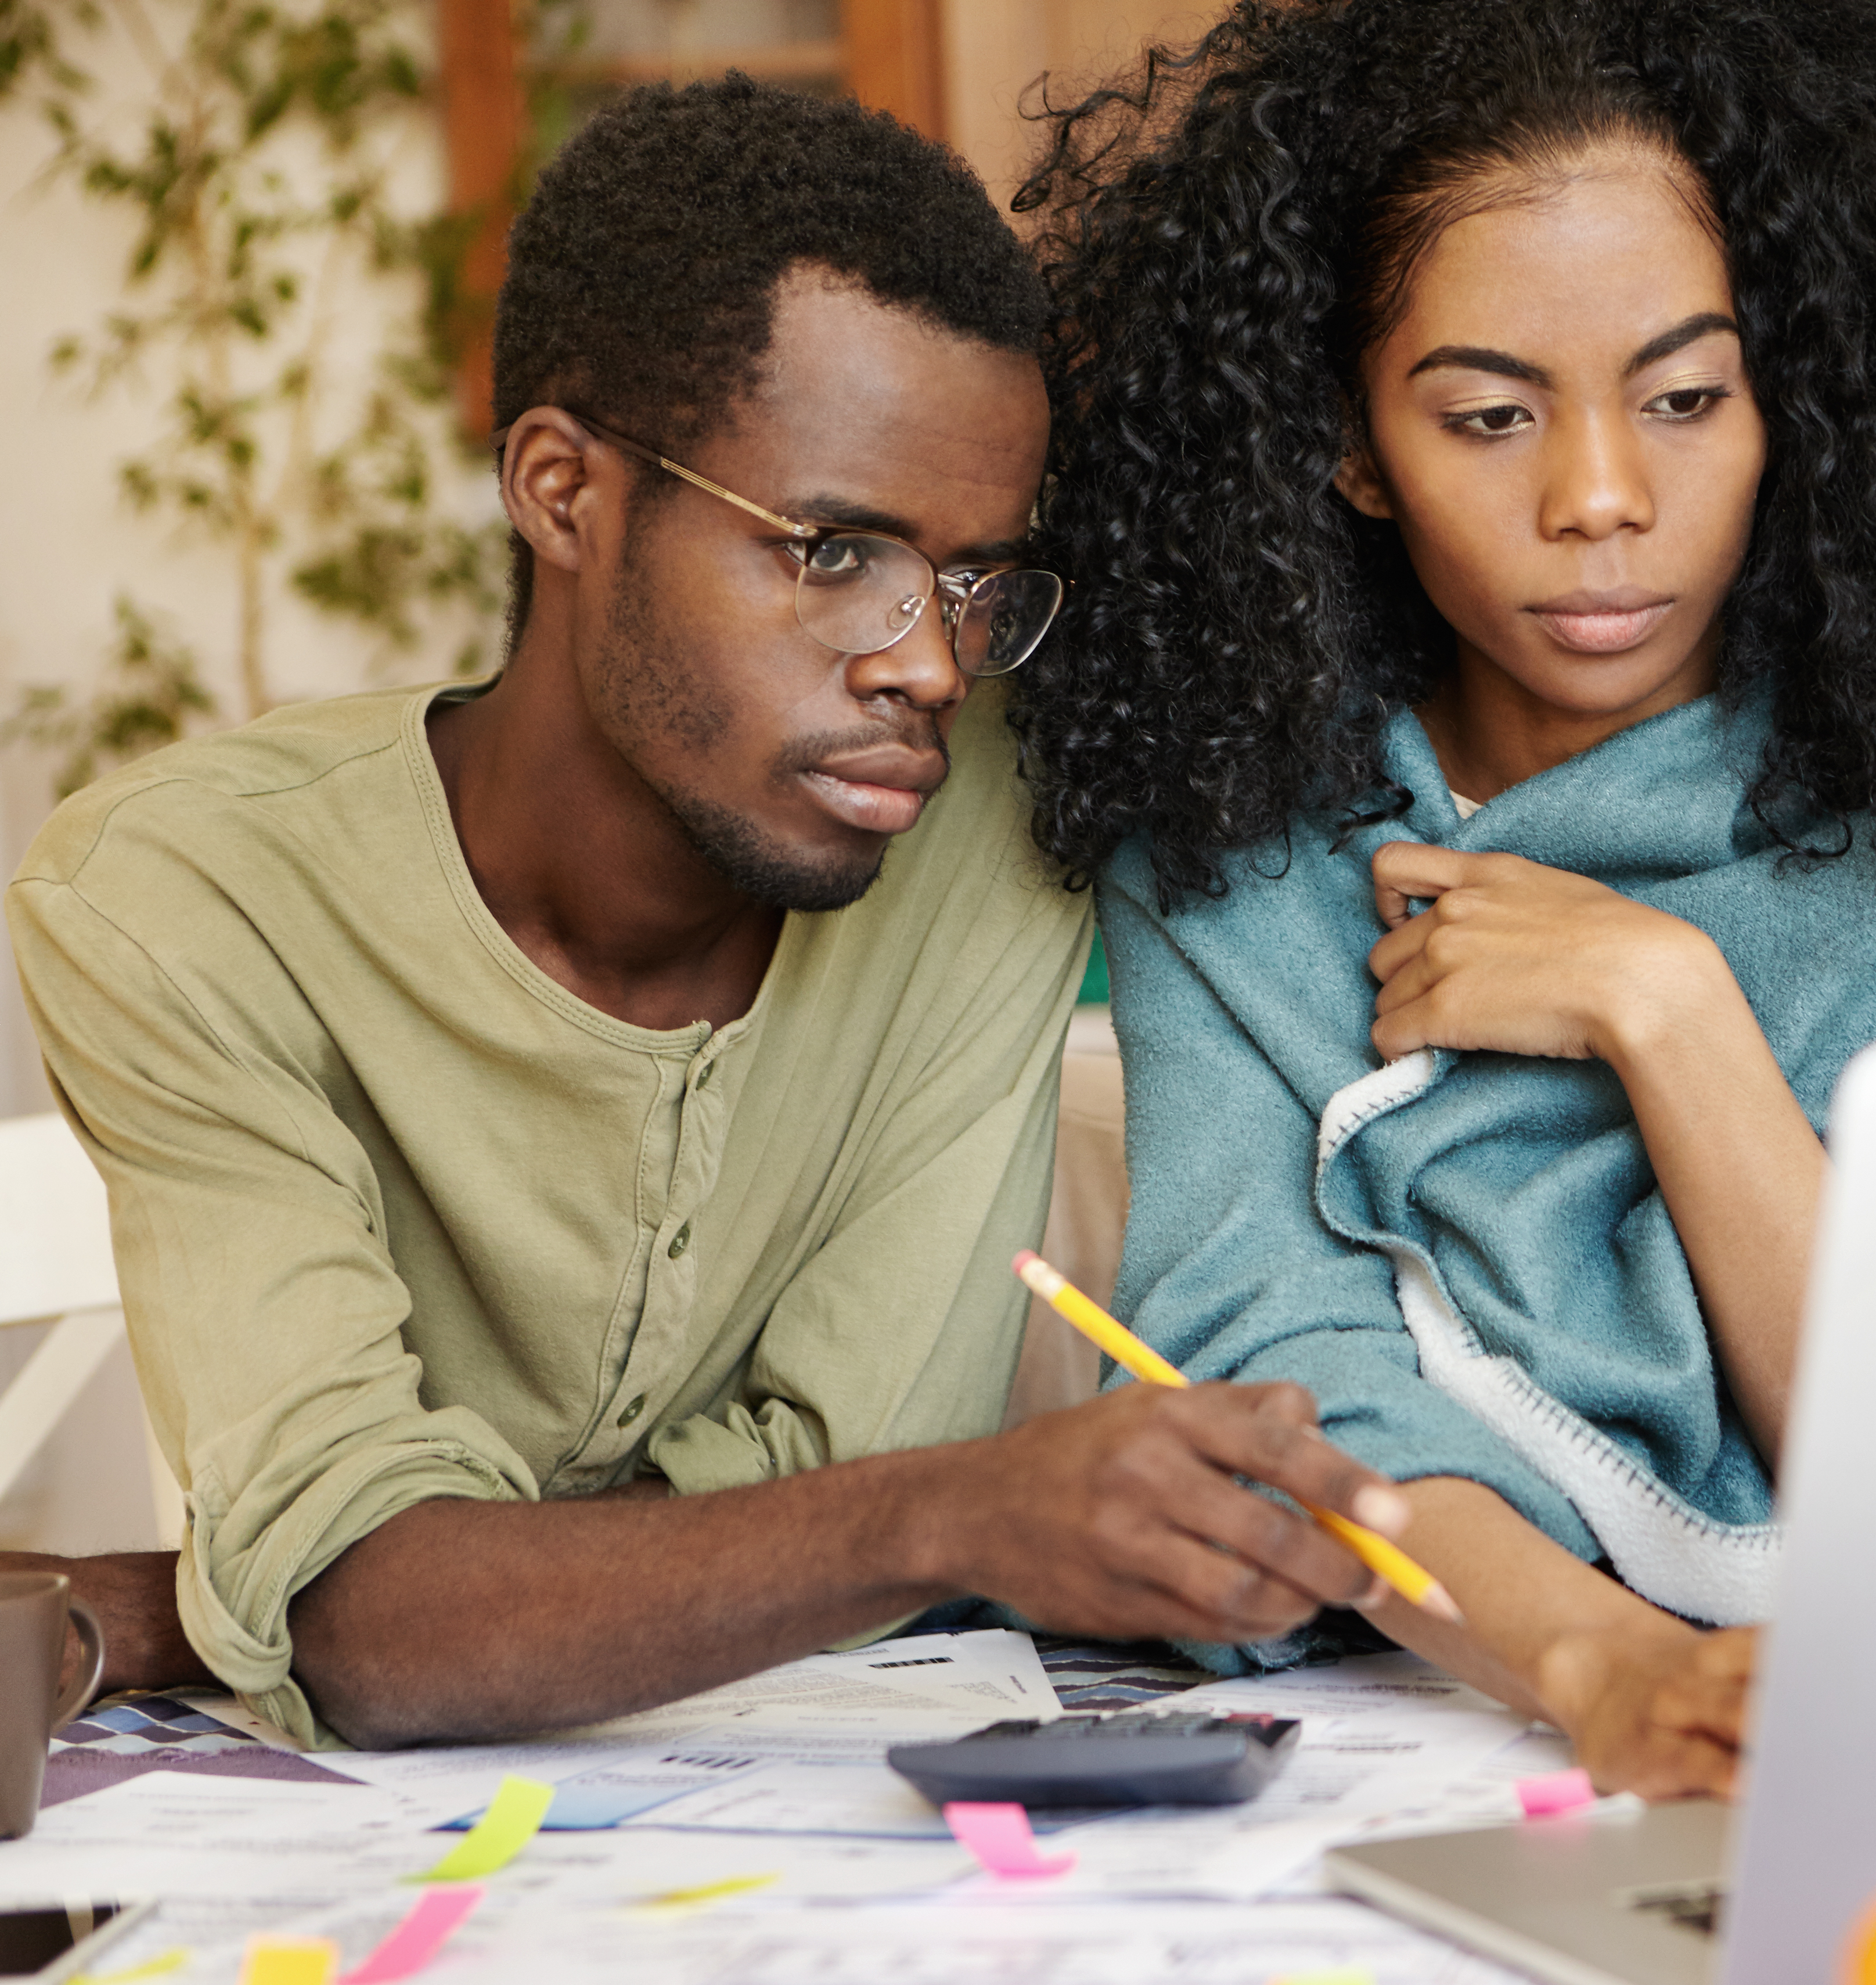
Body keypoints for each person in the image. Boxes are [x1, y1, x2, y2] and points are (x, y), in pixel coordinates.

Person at [2, 77, 1414, 1750]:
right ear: (562, 492)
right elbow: (375, 1636)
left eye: (974, 582)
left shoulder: (988, 837)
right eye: (832, 551)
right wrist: (941, 1513)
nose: (929, 662)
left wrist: (227, 1600)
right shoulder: (182, 904)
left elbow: (819, 1493)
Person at [1010, 0, 1876, 1798]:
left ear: (1786, 405)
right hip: (1444, 1744)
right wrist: (1608, 1666)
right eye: (1491, 416)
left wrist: (1667, 1012)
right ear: (1353, 448)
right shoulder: (1241, 844)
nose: (1601, 499)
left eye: (1684, 399)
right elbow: (1272, 1380)